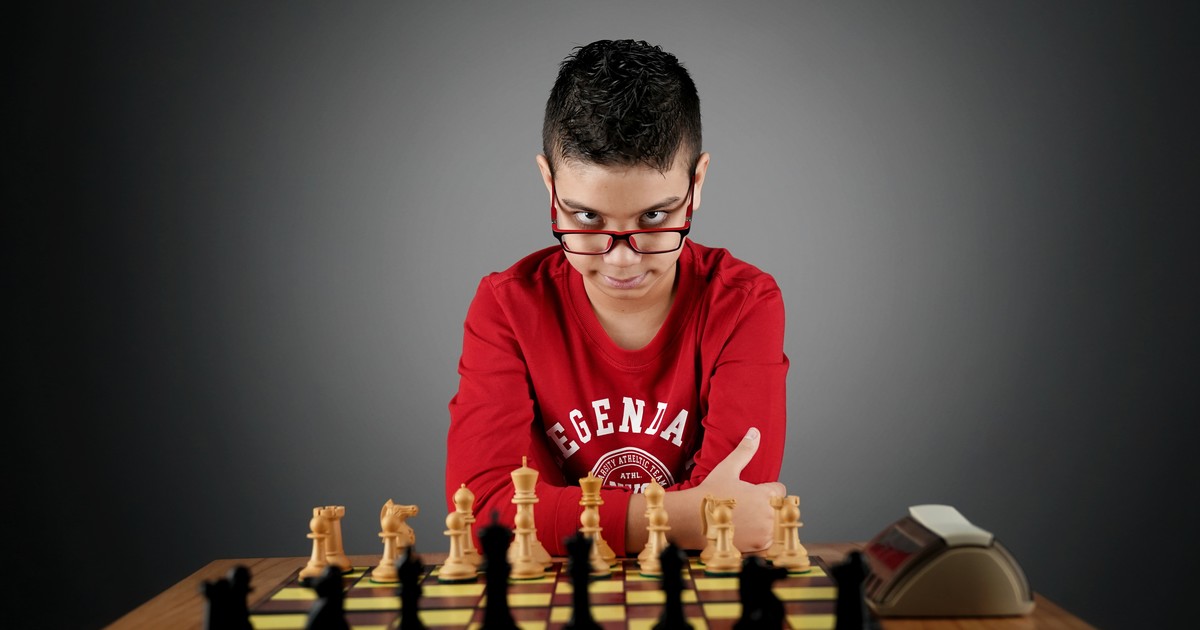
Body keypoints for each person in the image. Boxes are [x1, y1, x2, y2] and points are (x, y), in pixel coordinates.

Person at [445, 39, 787, 557]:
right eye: (587, 218)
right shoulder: (507, 307)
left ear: (696, 184)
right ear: (549, 185)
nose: (622, 260)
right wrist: (684, 518)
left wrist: (557, 521)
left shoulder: (744, 303)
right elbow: (482, 510)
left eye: (654, 217)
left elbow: (737, 508)